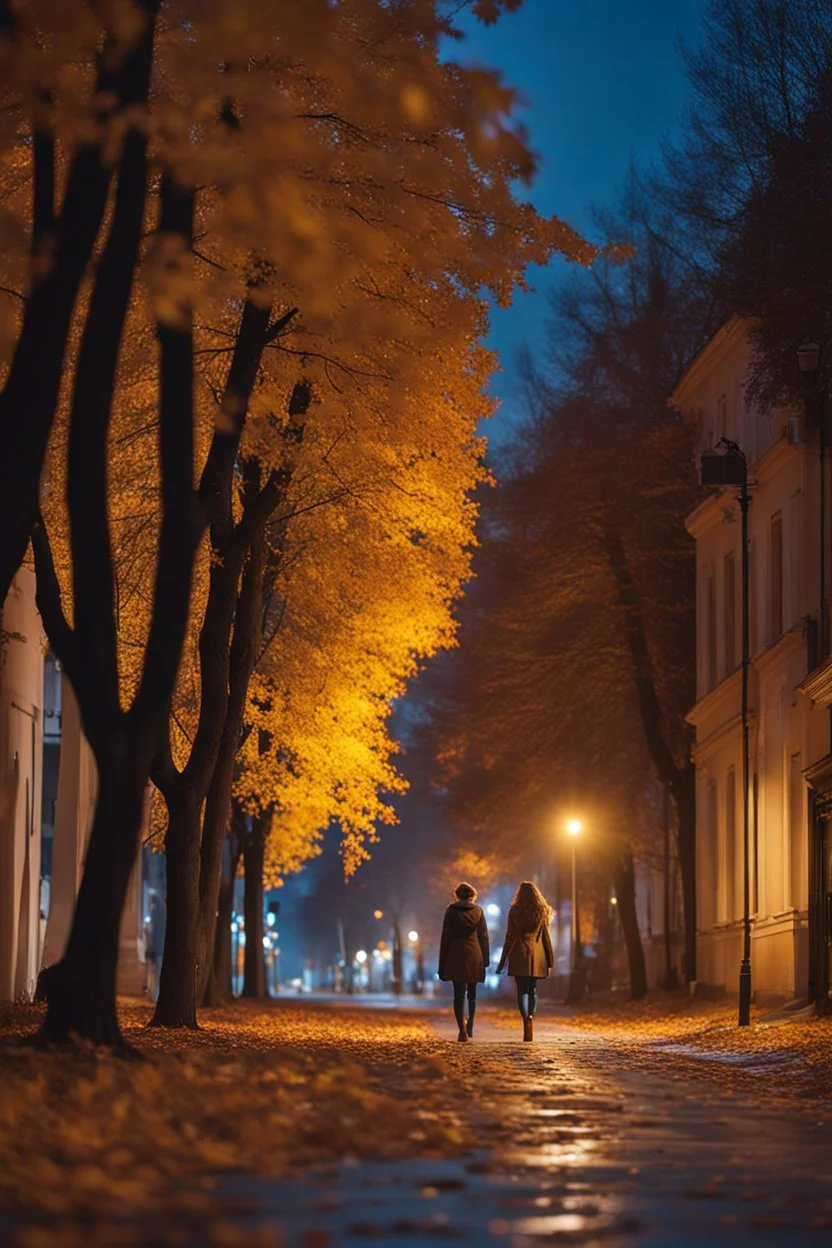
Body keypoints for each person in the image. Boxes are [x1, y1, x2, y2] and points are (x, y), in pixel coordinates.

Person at [496, 881, 554, 1042]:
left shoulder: (514, 911)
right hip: (537, 955)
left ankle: (524, 1019)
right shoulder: (542, 911)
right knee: (533, 990)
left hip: (519, 954)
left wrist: (503, 961)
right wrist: (549, 960)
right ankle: (531, 1016)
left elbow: (510, 936)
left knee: (522, 991)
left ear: (519, 895)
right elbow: (546, 937)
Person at [438, 882, 490, 1042]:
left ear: (457, 895)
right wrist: (485, 959)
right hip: (474, 954)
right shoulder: (479, 911)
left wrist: (442, 962)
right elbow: (483, 936)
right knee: (472, 993)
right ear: (472, 895)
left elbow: (445, 937)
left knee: (458, 995)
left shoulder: (451, 911)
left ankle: (461, 1030)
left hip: (455, 955)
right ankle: (471, 1023)